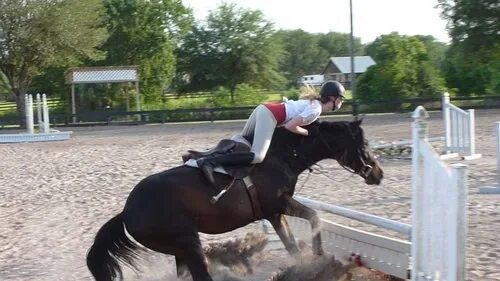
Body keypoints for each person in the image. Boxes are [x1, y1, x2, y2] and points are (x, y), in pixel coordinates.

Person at [197, 80, 346, 185]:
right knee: (257, 156)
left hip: (264, 109)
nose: (342, 102)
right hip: (270, 115)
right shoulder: (316, 110)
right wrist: (308, 134)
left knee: (242, 141)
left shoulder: (314, 105)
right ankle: (210, 162)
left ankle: (206, 155)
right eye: (341, 99)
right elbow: (290, 127)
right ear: (332, 98)